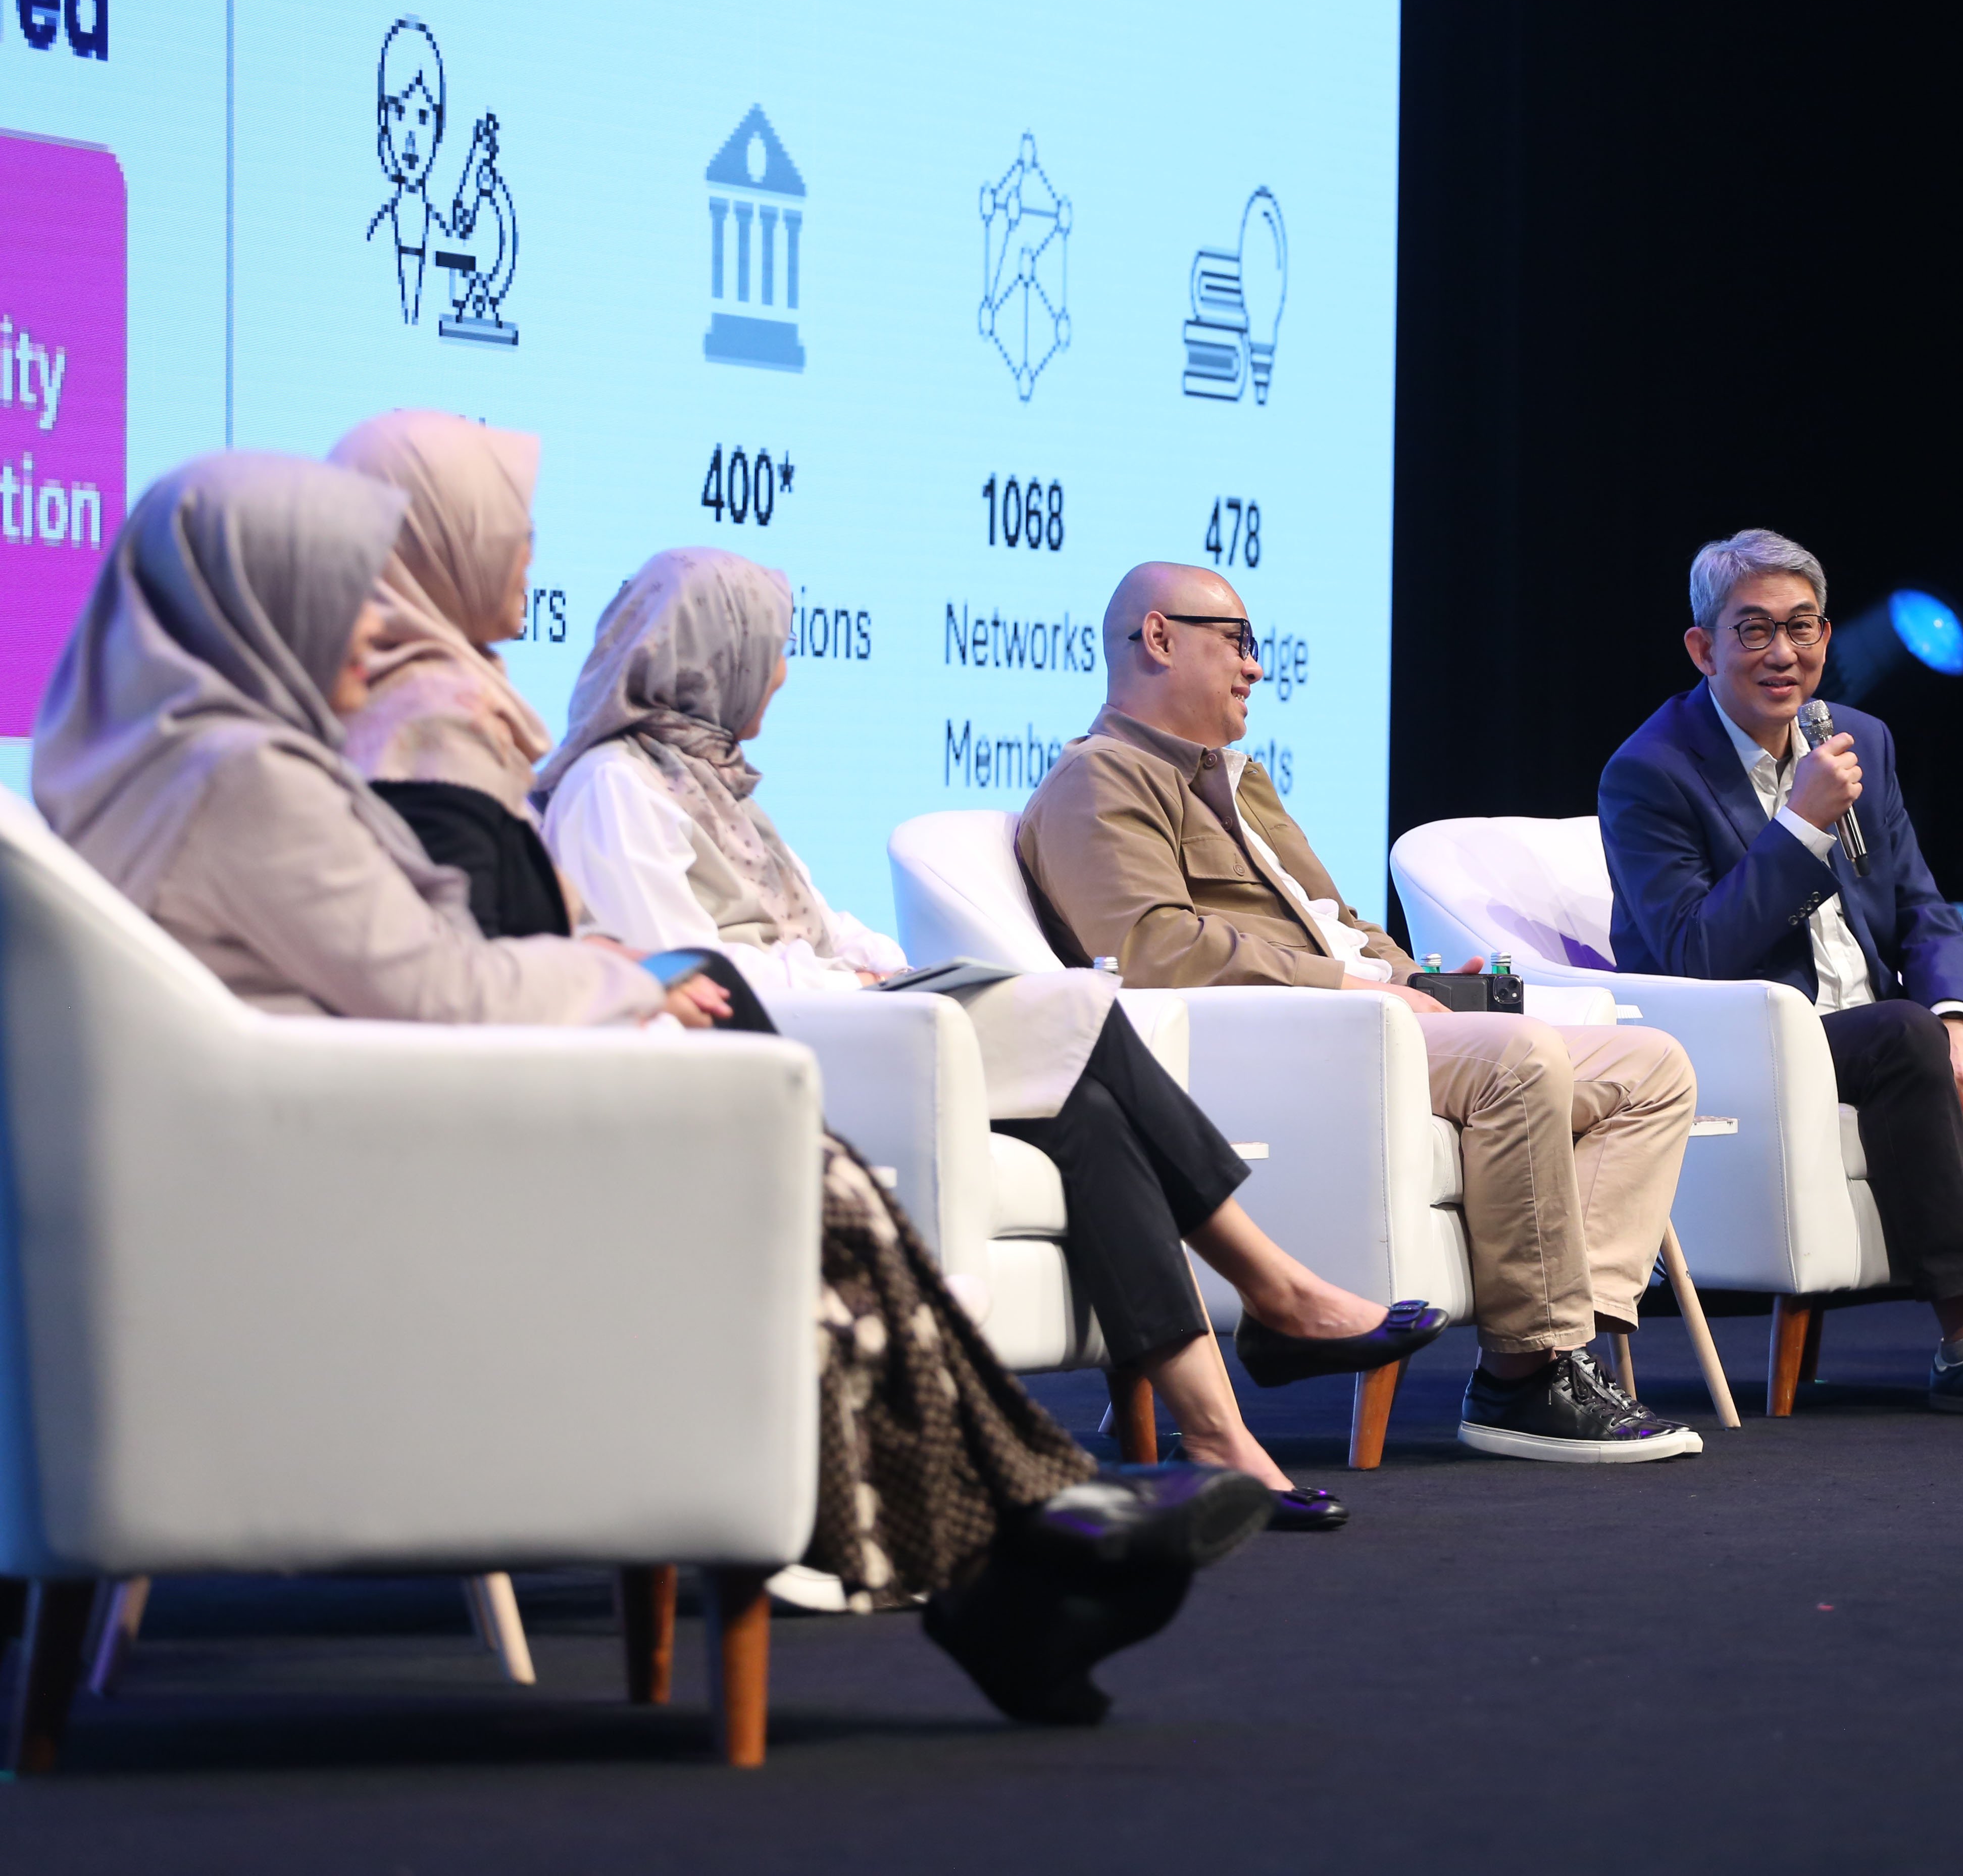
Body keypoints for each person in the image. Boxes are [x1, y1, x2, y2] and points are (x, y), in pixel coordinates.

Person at [31, 452, 1270, 1724]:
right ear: (260, 602)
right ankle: (1023, 1542)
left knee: (811, 1173)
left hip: (322, 1163)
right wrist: (625, 983)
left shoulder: (133, 772)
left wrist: (588, 969)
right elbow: (440, 992)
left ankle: (1019, 1548)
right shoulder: (246, 783)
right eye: (353, 595)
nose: (386, 625)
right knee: (798, 1176)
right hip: (368, 1183)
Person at [536, 549, 1441, 1523]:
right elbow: (683, 976)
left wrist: (873, 964)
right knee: (1077, 1020)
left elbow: (820, 926)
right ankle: (1277, 1289)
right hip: (777, 1059)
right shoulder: (614, 789)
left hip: (846, 1029)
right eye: (775, 651)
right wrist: (853, 983)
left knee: (1091, 1115)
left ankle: (1222, 1436)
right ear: (718, 653)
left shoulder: (711, 785)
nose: (786, 674)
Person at [1020, 561, 1706, 1465]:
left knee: (1651, 1066)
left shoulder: (1235, 781)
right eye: (1237, 642)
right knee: (1518, 1059)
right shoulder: (1098, 780)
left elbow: (1335, 922)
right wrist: (1352, 990)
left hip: (1367, 1024)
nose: (1254, 668)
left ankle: (1569, 1346)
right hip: (1286, 1049)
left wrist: (1414, 976)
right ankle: (1525, 1375)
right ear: (1158, 638)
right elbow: (1152, 949)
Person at [1599, 529, 1963, 1418]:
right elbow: (1694, 955)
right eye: (1754, 632)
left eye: (1804, 627)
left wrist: (1958, 1020)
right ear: (1703, 648)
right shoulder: (1650, 771)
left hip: (1890, 1033)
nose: (1785, 654)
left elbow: (1923, 909)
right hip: (1757, 1045)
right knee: (1902, 1036)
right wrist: (1802, 829)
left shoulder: (1857, 738)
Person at [326, 409, 573, 937]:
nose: (529, 555)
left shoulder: (372, 694)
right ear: (437, 540)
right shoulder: (438, 714)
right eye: (510, 529)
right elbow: (468, 964)